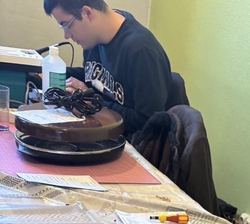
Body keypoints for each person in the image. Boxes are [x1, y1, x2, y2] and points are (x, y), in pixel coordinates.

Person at [43, 0, 173, 137]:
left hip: (129, 142)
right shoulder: (94, 38)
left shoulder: (141, 51)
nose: (66, 35)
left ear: (87, 13)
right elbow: (96, 78)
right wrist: (50, 72)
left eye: (66, 25)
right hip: (100, 129)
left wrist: (92, 103)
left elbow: (148, 122)